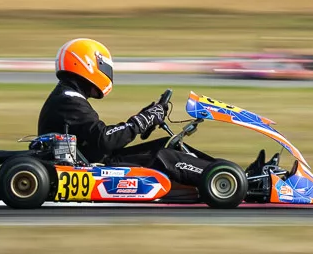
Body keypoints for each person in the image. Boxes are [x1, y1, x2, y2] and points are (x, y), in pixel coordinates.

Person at [37, 38, 215, 186]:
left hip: (95, 158)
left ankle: (218, 169)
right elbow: (106, 139)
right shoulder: (68, 101)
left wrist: (145, 118)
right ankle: (218, 178)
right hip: (94, 166)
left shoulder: (66, 95)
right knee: (163, 156)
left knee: (166, 144)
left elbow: (100, 138)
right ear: (86, 64)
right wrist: (141, 121)